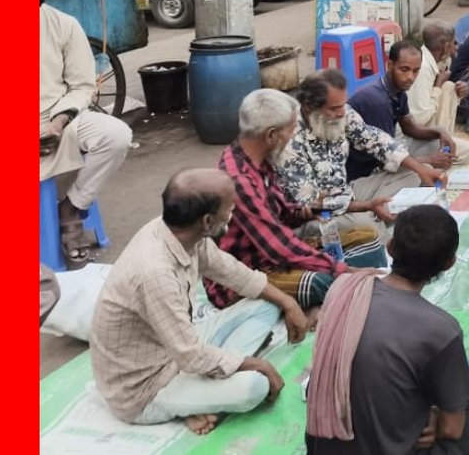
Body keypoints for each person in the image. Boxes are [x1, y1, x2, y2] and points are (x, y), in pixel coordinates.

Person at [91, 168, 310, 435]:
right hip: (146, 388)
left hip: (178, 350)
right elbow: (191, 356)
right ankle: (185, 404)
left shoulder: (183, 234)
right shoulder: (155, 272)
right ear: (207, 221)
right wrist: (256, 364)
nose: (233, 213)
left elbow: (233, 272)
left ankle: (204, 391)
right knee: (255, 387)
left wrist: (289, 303)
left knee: (266, 305)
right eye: (229, 209)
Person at [304, 205, 469, 455]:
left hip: (323, 446)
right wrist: (437, 418)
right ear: (450, 263)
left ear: (390, 247)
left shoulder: (343, 289)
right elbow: (452, 429)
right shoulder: (440, 329)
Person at [210, 89, 390, 311]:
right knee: (326, 281)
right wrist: (342, 270)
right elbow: (279, 247)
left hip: (273, 257)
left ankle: (350, 295)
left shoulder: (258, 157)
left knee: (368, 238)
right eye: (291, 130)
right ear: (272, 135)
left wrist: (308, 210)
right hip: (250, 273)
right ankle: (346, 302)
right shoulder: (238, 182)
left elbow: (281, 211)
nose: (293, 136)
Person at [279, 70, 441, 243]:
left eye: (343, 105)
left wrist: (420, 169)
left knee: (417, 172)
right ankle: (382, 229)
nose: (342, 113)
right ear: (310, 108)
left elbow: (375, 139)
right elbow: (310, 203)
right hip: (317, 216)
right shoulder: (289, 142)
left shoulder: (342, 112)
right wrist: (366, 206)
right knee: (367, 227)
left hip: (348, 192)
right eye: (334, 108)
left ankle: (378, 212)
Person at [41, 0, 133, 265]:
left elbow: (81, 86)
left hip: (58, 117)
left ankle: (72, 208)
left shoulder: (62, 24)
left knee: (116, 136)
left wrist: (58, 123)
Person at [349, 41, 464, 166]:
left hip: (393, 151)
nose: (410, 77)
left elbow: (410, 127)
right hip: (367, 171)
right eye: (404, 69)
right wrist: (429, 160)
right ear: (390, 65)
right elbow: (384, 158)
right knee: (423, 169)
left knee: (463, 150)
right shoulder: (377, 101)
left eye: (416, 71)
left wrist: (440, 132)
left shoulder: (399, 91)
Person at [412, 21, 469, 138]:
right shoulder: (423, 68)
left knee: (449, 87)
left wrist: (459, 92)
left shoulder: (441, 60)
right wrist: (439, 84)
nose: (455, 47)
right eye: (453, 43)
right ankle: (441, 144)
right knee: (468, 150)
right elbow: (421, 117)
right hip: (417, 131)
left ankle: (446, 138)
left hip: (427, 119)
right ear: (445, 46)